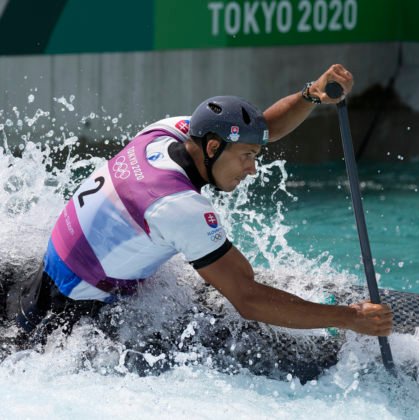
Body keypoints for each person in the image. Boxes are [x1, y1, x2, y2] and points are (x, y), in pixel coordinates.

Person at [10, 64, 393, 347]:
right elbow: (248, 298)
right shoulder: (176, 206)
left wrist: (311, 94)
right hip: (68, 320)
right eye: (246, 156)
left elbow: (261, 129)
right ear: (212, 148)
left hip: (51, 273)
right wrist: (349, 318)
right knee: (238, 281)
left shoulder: (167, 132)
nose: (253, 167)